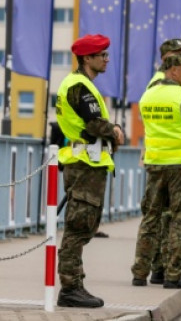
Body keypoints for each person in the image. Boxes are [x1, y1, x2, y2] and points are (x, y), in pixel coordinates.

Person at [55, 34, 126, 308]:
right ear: (87, 58)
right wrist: (115, 130)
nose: (107, 60)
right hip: (85, 164)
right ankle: (70, 288)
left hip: (87, 163)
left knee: (83, 226)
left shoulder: (80, 84)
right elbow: (95, 124)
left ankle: (75, 285)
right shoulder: (80, 86)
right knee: (77, 227)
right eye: (102, 55)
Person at [131, 53, 181, 289]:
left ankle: (140, 273)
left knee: (151, 219)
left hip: (155, 164)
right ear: (173, 70)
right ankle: (173, 274)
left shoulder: (147, 96)